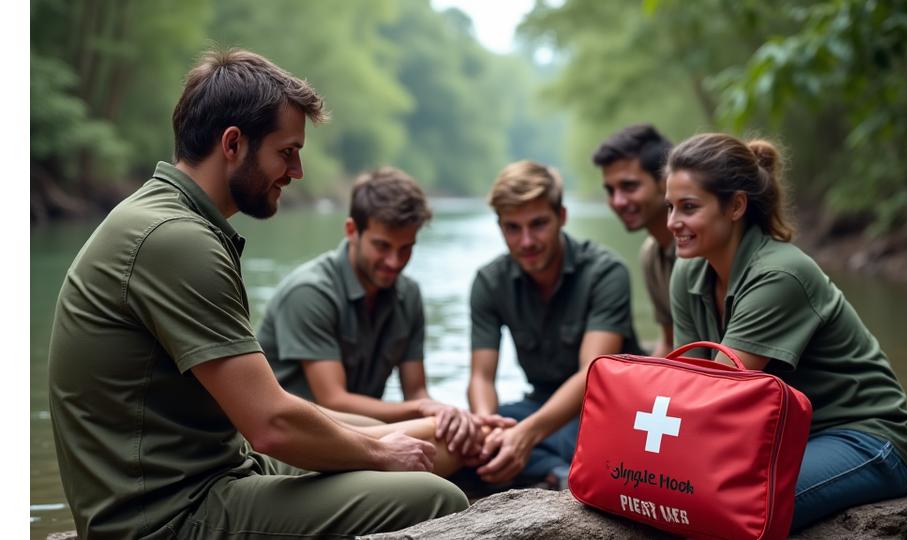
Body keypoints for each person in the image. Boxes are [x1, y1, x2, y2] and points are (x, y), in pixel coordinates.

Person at [47, 48, 467, 540]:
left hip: (218, 471)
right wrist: (382, 452)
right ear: (233, 143)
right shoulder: (175, 239)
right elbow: (271, 423)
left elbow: (260, 418)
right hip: (164, 518)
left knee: (436, 445)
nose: (297, 172)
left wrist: (396, 437)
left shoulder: (171, 220)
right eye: (286, 152)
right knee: (436, 496)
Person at [663, 133, 907, 532]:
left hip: (864, 439)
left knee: (726, 509)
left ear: (735, 206)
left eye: (689, 208)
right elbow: (684, 386)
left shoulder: (780, 274)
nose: (672, 223)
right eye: (670, 207)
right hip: (783, 442)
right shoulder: (688, 270)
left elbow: (715, 398)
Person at [259, 166, 506, 458]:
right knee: (456, 448)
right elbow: (334, 399)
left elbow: (416, 392)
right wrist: (423, 412)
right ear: (352, 231)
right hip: (302, 439)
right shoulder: (310, 293)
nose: (394, 261)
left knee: (472, 437)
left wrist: (448, 415)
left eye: (406, 249)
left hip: (365, 432)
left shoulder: (408, 295)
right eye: (382, 246)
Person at [467, 160, 642, 487]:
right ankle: (557, 470)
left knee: (602, 442)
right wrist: (486, 427)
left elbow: (591, 373)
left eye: (538, 224)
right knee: (462, 439)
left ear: (562, 216)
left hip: (604, 408)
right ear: (500, 227)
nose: (527, 241)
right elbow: (481, 376)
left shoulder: (606, 272)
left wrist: (527, 435)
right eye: (512, 228)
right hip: (538, 405)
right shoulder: (489, 282)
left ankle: (549, 466)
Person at [593, 124, 676, 356]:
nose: (618, 201)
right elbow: (670, 344)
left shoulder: (705, 246)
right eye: (610, 190)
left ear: (665, 182)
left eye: (629, 186)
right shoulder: (651, 254)